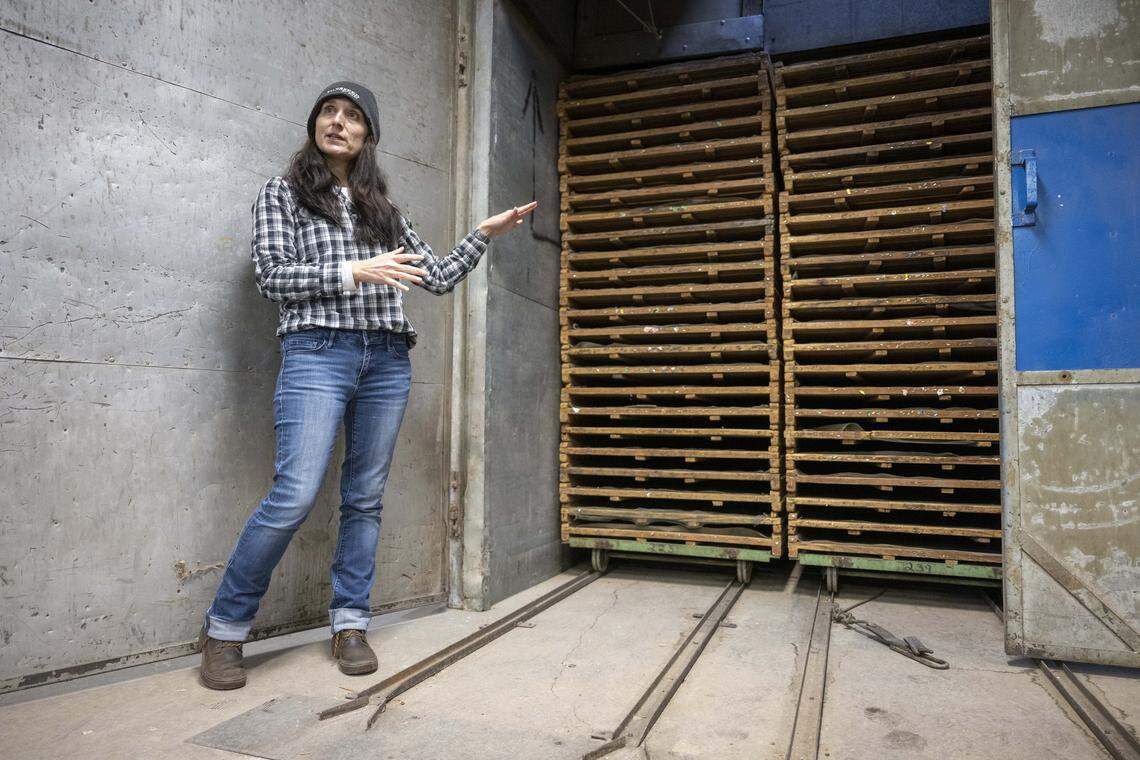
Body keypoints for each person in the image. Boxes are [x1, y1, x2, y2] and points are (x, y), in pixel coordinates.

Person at [196, 81, 537, 690]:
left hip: (385, 359)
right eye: (329, 111)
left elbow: (434, 277)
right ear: (315, 125)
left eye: (352, 116)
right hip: (317, 354)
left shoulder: (386, 211)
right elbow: (272, 277)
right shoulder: (283, 194)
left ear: (367, 136)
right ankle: (224, 630)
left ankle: (350, 623)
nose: (338, 122)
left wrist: (483, 234)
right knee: (295, 494)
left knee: (364, 498)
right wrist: (355, 270)